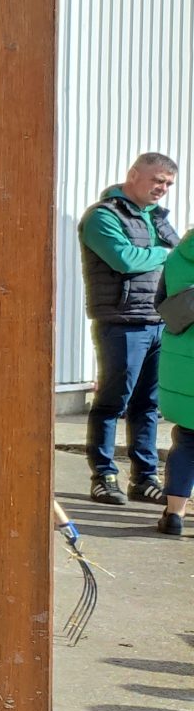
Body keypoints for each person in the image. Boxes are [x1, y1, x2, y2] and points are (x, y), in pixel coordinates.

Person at [80, 153, 179, 505]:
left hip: (159, 322)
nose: (162, 189)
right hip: (121, 323)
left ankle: (144, 478)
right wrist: (164, 253)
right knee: (112, 402)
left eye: (168, 183)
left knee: (148, 405)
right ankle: (104, 476)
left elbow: (180, 255)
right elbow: (123, 259)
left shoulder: (158, 219)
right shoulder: (102, 216)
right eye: (157, 180)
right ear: (134, 174)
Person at [155, 225, 194, 537]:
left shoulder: (177, 257)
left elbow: (162, 305)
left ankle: (174, 516)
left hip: (182, 369)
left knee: (186, 440)